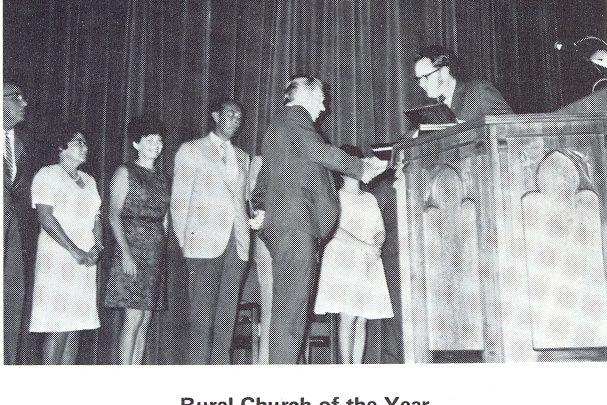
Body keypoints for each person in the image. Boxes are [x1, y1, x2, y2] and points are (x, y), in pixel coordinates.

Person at [249, 76, 388, 364]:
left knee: (289, 310)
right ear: (305, 96)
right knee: (292, 314)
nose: (324, 107)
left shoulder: (279, 128)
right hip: (297, 228)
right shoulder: (295, 117)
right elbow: (319, 152)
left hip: (289, 227)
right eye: (322, 99)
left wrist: (262, 210)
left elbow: (264, 180)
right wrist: (363, 168)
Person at [171, 100, 250, 364]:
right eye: (230, 113)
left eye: (240, 116)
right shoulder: (191, 150)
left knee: (226, 320)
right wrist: (187, 246)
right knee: (201, 319)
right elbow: (179, 202)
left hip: (235, 245)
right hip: (203, 245)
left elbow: (241, 200)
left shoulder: (242, 156)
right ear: (216, 116)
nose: (236, 119)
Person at [29, 123, 103, 365]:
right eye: (78, 142)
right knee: (58, 325)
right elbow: (46, 218)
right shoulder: (47, 175)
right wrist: (74, 250)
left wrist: (97, 248)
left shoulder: (89, 180)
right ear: (61, 147)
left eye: (85, 142)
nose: (85, 147)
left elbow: (96, 218)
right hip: (59, 257)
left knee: (76, 326)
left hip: (85, 261)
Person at [314, 145, 394, 364]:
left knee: (362, 318)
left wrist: (375, 245)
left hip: (366, 260)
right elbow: (334, 229)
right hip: (343, 259)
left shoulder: (369, 198)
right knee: (348, 316)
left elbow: (380, 230)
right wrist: (364, 246)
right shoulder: (335, 197)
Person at [104, 117, 170, 364]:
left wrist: (162, 253)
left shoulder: (163, 178)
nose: (156, 145)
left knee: (145, 320)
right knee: (132, 319)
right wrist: (126, 255)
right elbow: (113, 216)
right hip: (132, 249)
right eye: (149, 140)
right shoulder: (125, 172)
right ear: (136, 143)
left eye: (159, 140)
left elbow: (164, 218)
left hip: (154, 253)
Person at [3, 82, 33, 364]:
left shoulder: (20, 145)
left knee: (13, 298)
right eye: (17, 98)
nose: (24, 104)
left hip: (12, 233)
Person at [414, 45, 513, 121]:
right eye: (419, 79)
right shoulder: (430, 106)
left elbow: (514, 129)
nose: (421, 84)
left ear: (444, 71)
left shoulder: (479, 91)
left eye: (426, 77)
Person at [246, 155, 273, 364]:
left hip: (295, 243)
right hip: (268, 241)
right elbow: (255, 202)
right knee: (270, 308)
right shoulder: (260, 161)